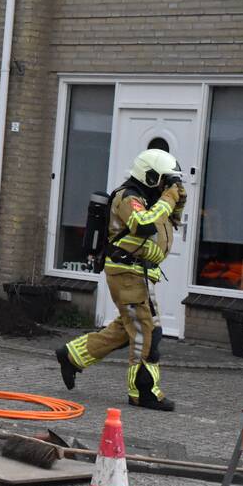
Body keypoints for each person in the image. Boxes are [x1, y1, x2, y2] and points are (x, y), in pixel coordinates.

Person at [56, 149, 186, 411]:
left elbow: (170, 221)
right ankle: (143, 391)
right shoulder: (129, 197)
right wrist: (168, 198)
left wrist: (177, 200)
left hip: (140, 274)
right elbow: (143, 225)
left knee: (129, 330)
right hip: (128, 272)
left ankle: (72, 355)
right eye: (163, 180)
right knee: (146, 333)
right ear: (150, 176)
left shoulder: (149, 198)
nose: (165, 186)